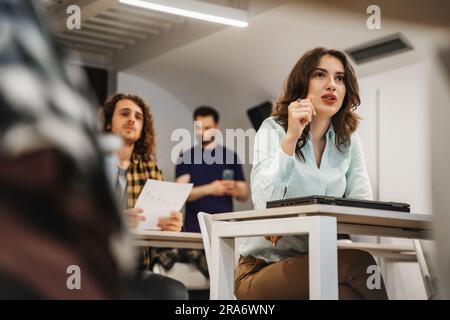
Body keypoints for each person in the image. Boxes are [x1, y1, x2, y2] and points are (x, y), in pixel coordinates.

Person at [235, 48, 388, 300]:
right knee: (362, 263)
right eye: (320, 75)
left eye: (340, 78)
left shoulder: (347, 140)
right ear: (302, 83)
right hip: (260, 269)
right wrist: (292, 137)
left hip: (311, 260)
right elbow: (264, 205)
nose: (332, 85)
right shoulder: (273, 129)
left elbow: (362, 207)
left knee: (346, 295)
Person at [100, 93, 188, 300]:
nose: (132, 119)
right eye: (124, 113)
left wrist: (172, 226)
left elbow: (161, 227)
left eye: (138, 117)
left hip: (133, 271)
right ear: (108, 124)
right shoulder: (91, 162)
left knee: (175, 292)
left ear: (142, 129)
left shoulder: (151, 170)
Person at [176, 106, 249, 233]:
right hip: (194, 229)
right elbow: (179, 195)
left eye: (207, 128)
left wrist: (233, 187)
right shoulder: (186, 156)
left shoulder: (230, 156)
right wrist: (211, 189)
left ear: (216, 127)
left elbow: (244, 194)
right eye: (199, 128)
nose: (202, 132)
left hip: (224, 229)